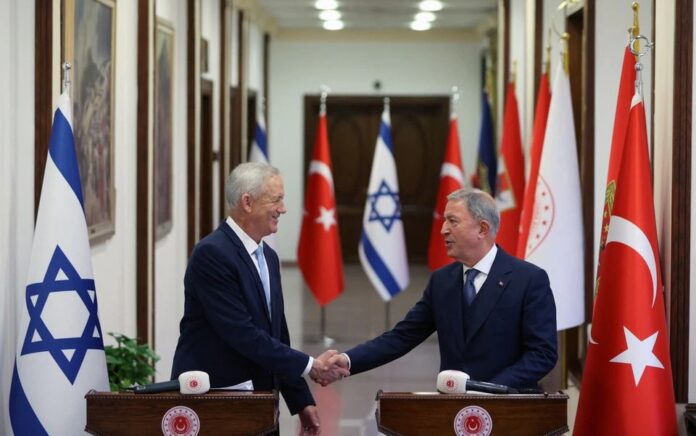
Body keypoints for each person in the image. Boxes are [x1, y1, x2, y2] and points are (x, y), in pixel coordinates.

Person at [171, 162, 347, 435]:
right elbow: (243, 333)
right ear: (247, 202)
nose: (283, 208)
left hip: (260, 404)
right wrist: (311, 366)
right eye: (276, 199)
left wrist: (300, 400)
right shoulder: (212, 255)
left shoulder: (268, 257)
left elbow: (277, 333)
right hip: (219, 404)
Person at [327, 188, 557, 389]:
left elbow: (542, 355)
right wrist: (348, 360)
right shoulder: (442, 281)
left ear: (482, 229)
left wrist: (491, 389)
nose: (443, 230)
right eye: (445, 221)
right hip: (452, 409)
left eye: (453, 221)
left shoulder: (529, 280)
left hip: (509, 410)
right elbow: (402, 337)